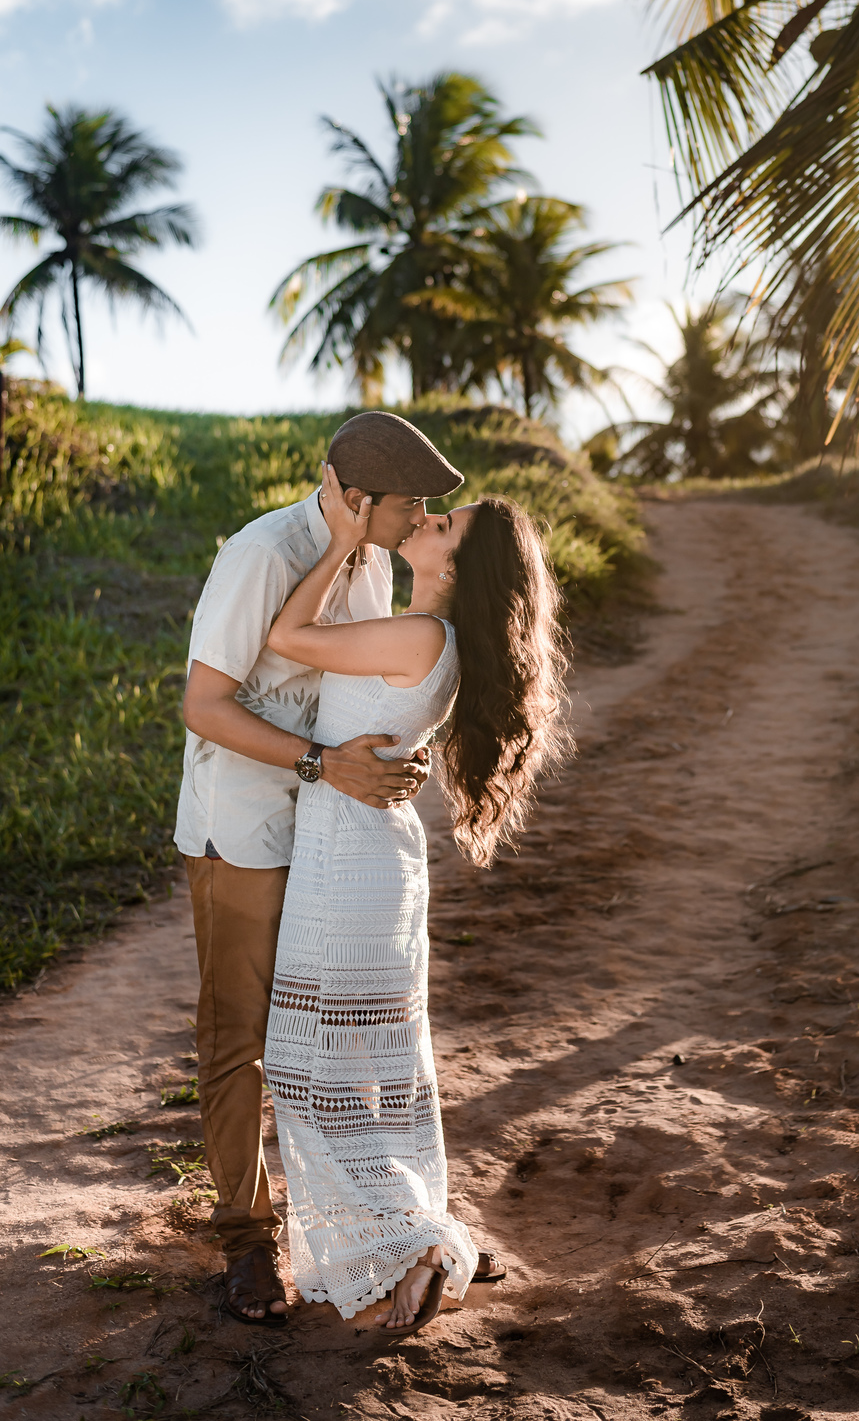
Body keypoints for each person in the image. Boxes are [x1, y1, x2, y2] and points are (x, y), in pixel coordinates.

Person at [261, 464, 569, 1338]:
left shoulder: (419, 638)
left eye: (445, 525)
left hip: (349, 866)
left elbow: (289, 635)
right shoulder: (429, 639)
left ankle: (415, 1241)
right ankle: (408, 1243)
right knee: (358, 1075)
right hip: (368, 859)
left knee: (308, 1068)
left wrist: (346, 539)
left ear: (456, 568)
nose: (426, 519)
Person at [176, 411, 463, 1326]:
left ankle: (355, 1222)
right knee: (240, 1037)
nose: (419, 514)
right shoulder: (260, 555)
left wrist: (393, 757)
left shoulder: (376, 562)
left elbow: (364, 685)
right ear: (354, 497)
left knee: (323, 1038)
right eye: (409, 500)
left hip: (331, 834)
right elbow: (203, 705)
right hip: (247, 826)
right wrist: (319, 762)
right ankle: (245, 1241)